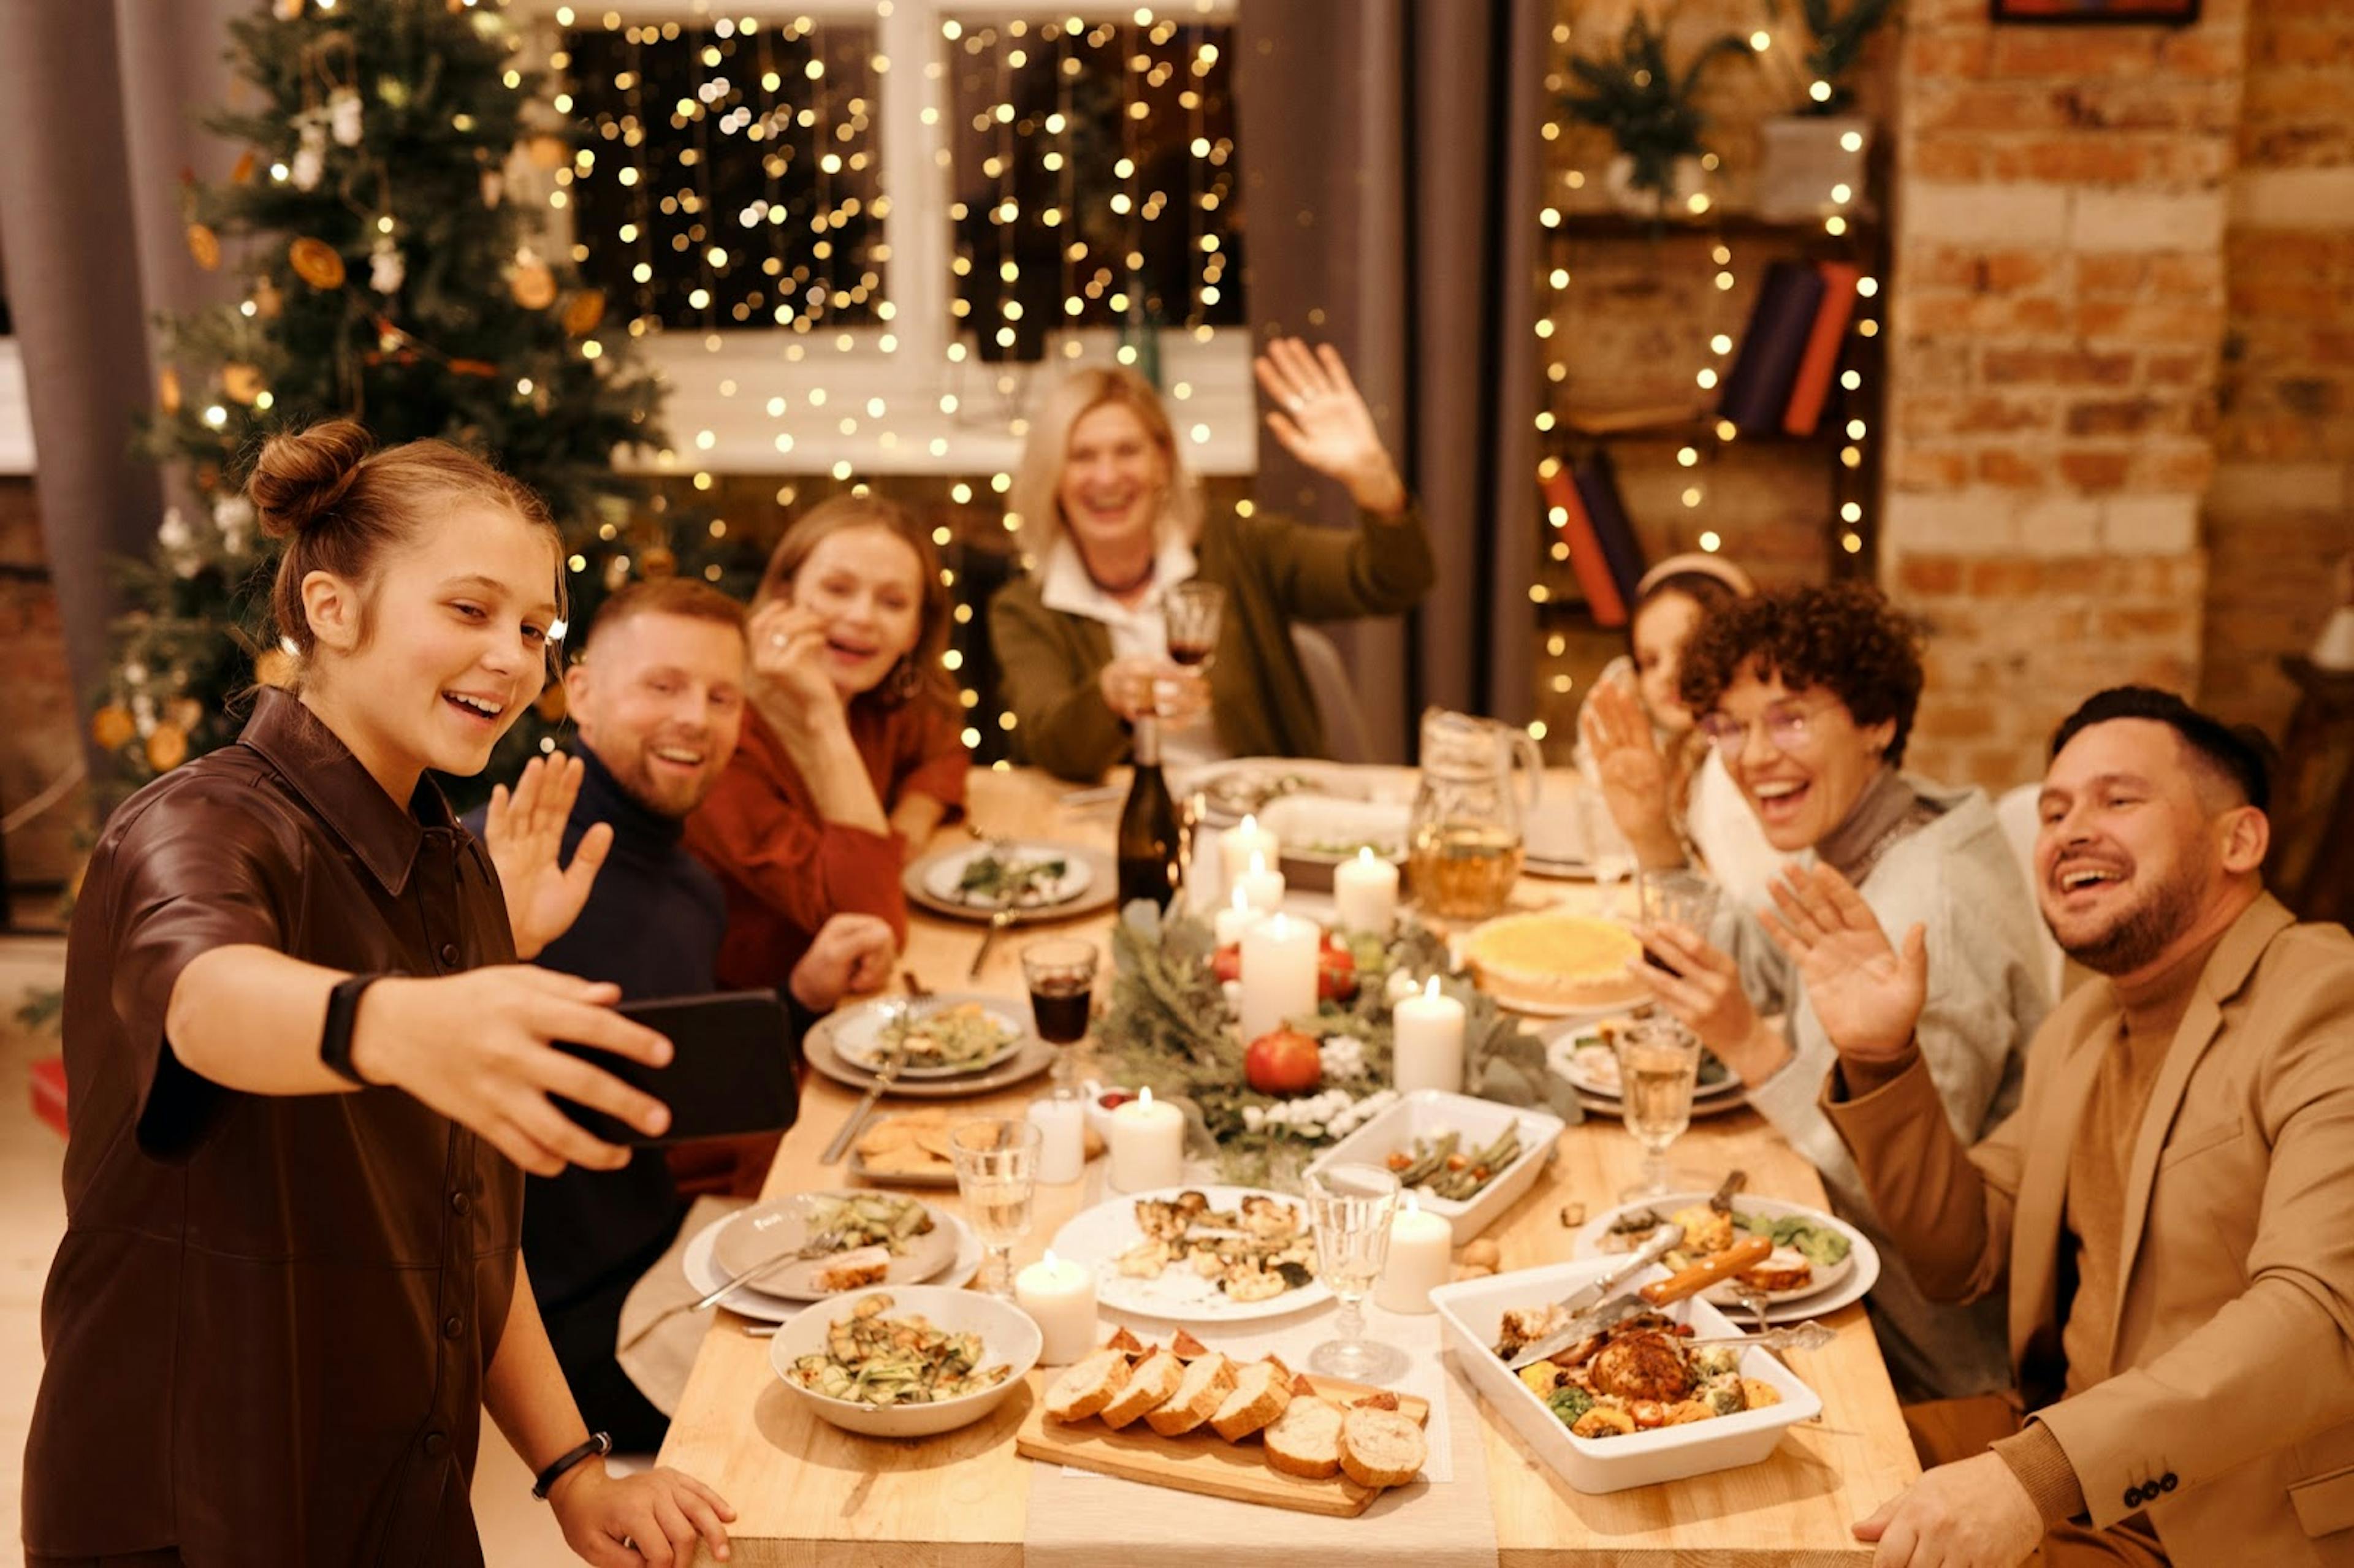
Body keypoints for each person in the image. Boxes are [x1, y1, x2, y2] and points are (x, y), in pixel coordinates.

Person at [23, 421, 733, 1567]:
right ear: (332, 609)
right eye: (469, 609)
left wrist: (572, 1470)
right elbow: (205, 1000)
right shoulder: (198, 824)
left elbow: (461, 1230)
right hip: (197, 1499)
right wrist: (396, 1016)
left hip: (396, 1480)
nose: (512, 655)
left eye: (536, 627)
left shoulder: (449, 864)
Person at [1799, 688, 2354, 1568]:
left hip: (2219, 1527)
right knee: (1776, 1468)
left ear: (2239, 839)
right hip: (2060, 1468)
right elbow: (1963, 1253)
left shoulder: (2327, 997)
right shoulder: (2087, 1021)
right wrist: (1882, 1056)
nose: (2069, 829)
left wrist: (2036, 1473)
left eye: (2118, 799)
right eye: (2054, 809)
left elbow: (2325, 1316)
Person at [469, 578, 896, 1452]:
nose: (695, 718)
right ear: (579, 691)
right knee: (856, 1404)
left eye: (721, 695)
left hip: (666, 1244)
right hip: (545, 1323)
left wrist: (800, 995)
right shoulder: (499, 862)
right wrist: (494, 952)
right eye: (661, 686)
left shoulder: (691, 884)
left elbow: (662, 1059)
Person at [1631, 582, 2050, 1403]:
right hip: (1856, 1287)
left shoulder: (1927, 907)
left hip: (1930, 1361)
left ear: (1876, 720)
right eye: (1731, 726)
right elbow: (1758, 960)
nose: (1752, 757)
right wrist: (1652, 827)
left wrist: (1753, 1045)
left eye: (1790, 718)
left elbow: (1914, 1215)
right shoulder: (1880, 828)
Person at [989, 340, 1437, 781]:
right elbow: (1049, 745)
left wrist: (1373, 479)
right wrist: (1109, 697)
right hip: (1120, 826)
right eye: (1082, 456)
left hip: (1260, 822)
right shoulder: (1025, 609)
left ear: (1163, 462)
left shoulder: (1239, 545)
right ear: (1053, 476)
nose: (1107, 477)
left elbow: (1393, 582)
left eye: (1128, 451)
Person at [683, 493, 966, 991]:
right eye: (838, 589)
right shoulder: (719, 738)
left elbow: (944, 748)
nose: (862, 617)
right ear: (783, 597)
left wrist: (910, 823)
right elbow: (871, 922)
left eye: (893, 602)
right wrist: (823, 719)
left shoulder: (875, 697)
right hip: (767, 1020)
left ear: (914, 632)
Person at [1574, 552, 1788, 907]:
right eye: (1650, 661)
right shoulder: (1666, 756)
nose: (1669, 675)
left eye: (1690, 651)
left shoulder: (1738, 767)